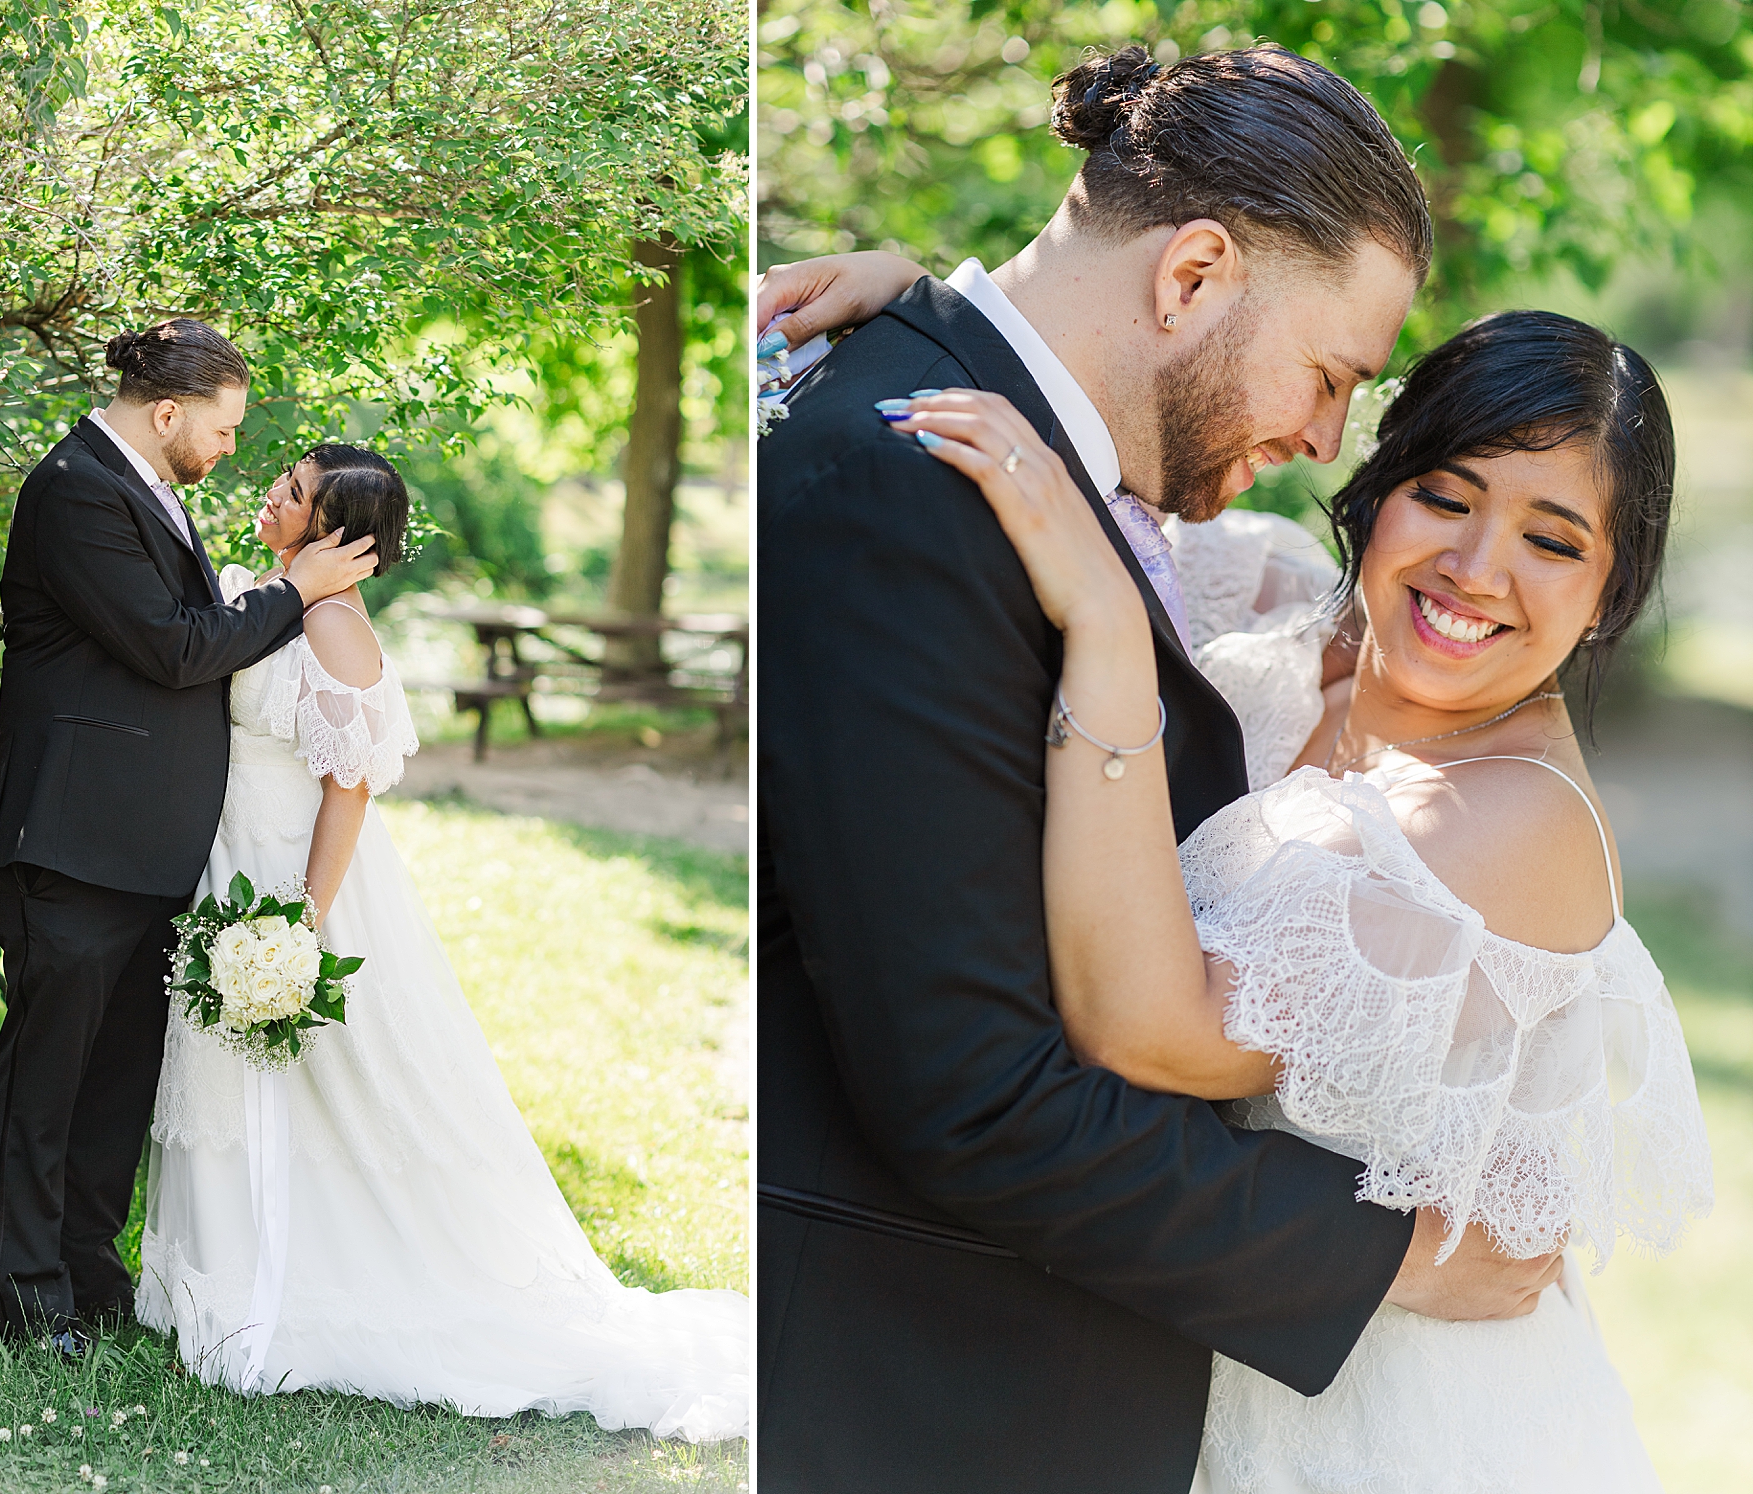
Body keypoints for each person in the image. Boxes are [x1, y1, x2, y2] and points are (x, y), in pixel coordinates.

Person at [757, 43, 1568, 1494]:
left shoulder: (1067, 481)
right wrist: (1401, 1254)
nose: (1327, 438)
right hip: (913, 1402)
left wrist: (929, 297)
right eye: (1328, 376)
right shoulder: (901, 492)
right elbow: (978, 1095)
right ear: (1191, 276)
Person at [893, 308, 1710, 1490]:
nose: (1473, 570)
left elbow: (1151, 1033)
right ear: (1374, 491)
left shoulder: (1510, 825)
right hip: (1182, 1356)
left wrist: (1110, 641)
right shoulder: (1285, 610)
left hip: (1391, 1424)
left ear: (1609, 591)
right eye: (1442, 494)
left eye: (1551, 539)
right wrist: (922, 312)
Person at [136, 445, 749, 1440]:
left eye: (292, 493)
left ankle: (305, 1290)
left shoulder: (335, 629)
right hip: (228, 862)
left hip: (288, 882)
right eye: (282, 483)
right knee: (232, 1081)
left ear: (335, 533)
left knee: (328, 1082)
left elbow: (351, 789)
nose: (271, 494)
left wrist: (297, 923)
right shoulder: (275, 596)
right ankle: (231, 1278)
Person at [0, 318, 378, 1352]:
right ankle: (31, 1301)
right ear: (166, 413)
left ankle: (90, 1272)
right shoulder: (73, 490)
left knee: (116, 1076)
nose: (233, 448)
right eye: (226, 426)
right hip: (67, 836)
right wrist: (299, 591)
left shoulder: (151, 492)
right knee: (49, 1078)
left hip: (152, 845)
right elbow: (169, 648)